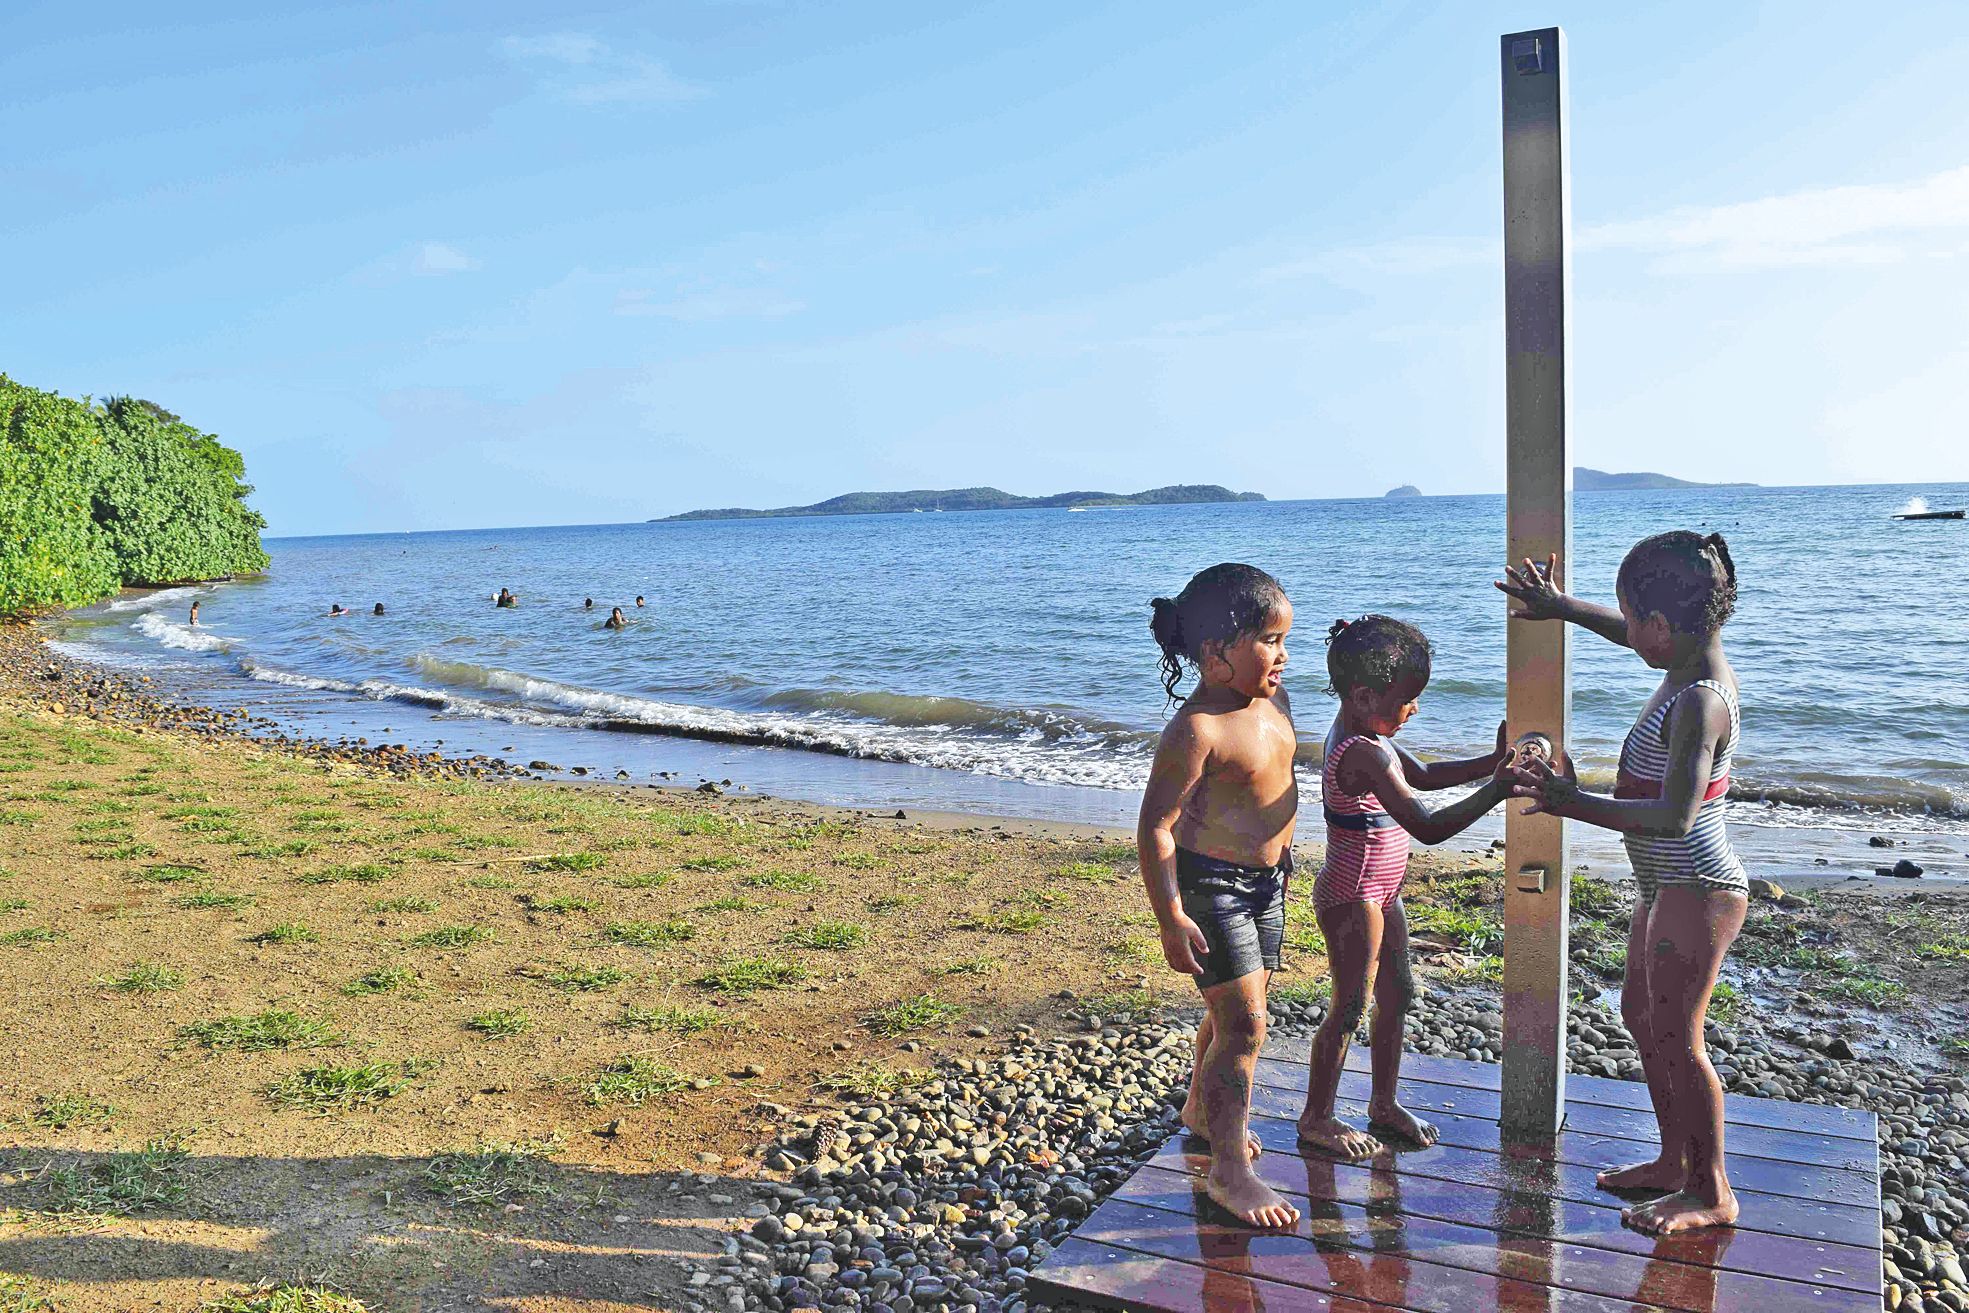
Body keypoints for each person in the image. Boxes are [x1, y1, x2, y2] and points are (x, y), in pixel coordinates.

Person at [1498, 533, 1748, 1236]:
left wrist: (1565, 800)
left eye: (1631, 619)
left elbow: (1673, 816)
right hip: (1662, 886)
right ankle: (1674, 1161)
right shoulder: (1684, 659)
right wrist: (1560, 607)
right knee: (1642, 1019)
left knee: (1679, 1035)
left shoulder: (1699, 702)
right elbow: (1630, 634)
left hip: (1696, 882)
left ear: (1662, 628)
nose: (1627, 632)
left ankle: (1710, 1188)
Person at [1296, 616, 1513, 1161]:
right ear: (1364, 695)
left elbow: (1424, 775)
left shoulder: (1371, 734)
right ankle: (1316, 1117)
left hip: (1382, 891)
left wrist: (1489, 763)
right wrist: (1497, 790)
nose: (1414, 709)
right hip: (1353, 894)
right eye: (1407, 699)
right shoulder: (1361, 751)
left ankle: (1383, 1102)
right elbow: (1427, 825)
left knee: (1398, 993)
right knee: (1349, 1007)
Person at [1138, 563, 1300, 1229]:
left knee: (1235, 1007)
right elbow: (1156, 825)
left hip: (1268, 884)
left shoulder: (1272, 702)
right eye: (1268, 639)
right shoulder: (1197, 728)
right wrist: (1170, 914)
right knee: (1245, 1025)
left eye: (1287, 637)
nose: (1282, 653)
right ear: (1214, 653)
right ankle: (1228, 1170)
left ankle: (1201, 1113)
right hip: (1211, 886)